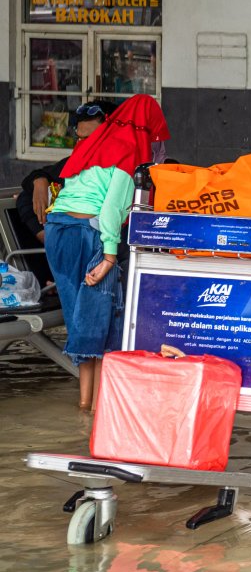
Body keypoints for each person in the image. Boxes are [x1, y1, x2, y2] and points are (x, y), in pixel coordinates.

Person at [44, 95, 170, 410]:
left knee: (80, 321)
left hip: (57, 231)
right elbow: (112, 211)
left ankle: (86, 404)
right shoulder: (130, 150)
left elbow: (67, 188)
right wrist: (109, 257)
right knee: (99, 321)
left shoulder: (93, 144)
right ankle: (99, 411)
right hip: (90, 233)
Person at [17, 101, 119, 243]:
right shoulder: (75, 164)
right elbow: (26, 195)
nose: (80, 145)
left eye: (89, 139)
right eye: (78, 138)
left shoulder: (129, 174)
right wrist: (39, 181)